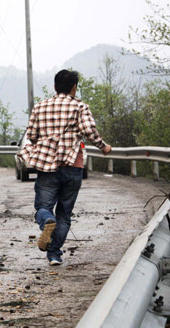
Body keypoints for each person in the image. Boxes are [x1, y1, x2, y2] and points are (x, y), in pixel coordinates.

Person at [18, 69, 112, 266]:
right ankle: (54, 255)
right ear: (74, 88)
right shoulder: (80, 106)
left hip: (46, 167)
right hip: (72, 166)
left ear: (55, 86)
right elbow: (89, 131)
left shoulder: (40, 107)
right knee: (64, 213)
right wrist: (104, 147)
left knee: (43, 207)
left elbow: (31, 136)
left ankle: (46, 222)